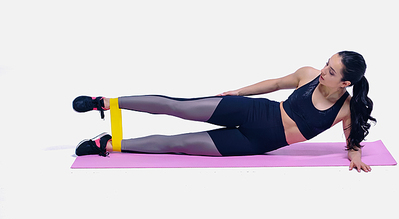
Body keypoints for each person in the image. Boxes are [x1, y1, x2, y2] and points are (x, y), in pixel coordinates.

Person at [72, 51, 376, 172]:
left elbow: (352, 140)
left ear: (346, 82)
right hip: (252, 112)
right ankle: (105, 102)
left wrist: (356, 155)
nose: (324, 70)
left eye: (333, 71)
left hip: (256, 143)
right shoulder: (308, 73)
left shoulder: (346, 109)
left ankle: (107, 144)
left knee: (178, 144)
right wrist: (239, 92)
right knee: (179, 106)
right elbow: (275, 83)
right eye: (327, 63)